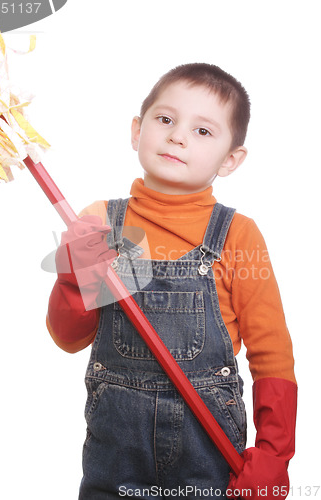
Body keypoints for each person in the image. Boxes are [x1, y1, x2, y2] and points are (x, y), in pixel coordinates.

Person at [46, 63, 297, 499]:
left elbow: (272, 352)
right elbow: (68, 339)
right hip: (114, 457)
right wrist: (72, 280)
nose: (178, 136)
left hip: (210, 460)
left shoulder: (239, 235)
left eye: (203, 132)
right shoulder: (100, 222)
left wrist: (274, 455)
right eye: (166, 120)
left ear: (231, 159)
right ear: (136, 131)